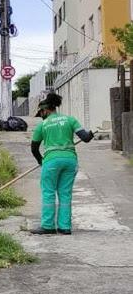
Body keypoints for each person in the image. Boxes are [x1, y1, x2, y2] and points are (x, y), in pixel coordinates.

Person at [30, 93, 94, 235]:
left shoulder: (43, 125)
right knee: (65, 193)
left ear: (45, 110)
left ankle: (48, 226)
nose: (41, 116)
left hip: (51, 161)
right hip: (70, 161)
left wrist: (41, 161)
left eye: (41, 113)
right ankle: (65, 227)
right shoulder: (70, 120)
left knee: (48, 192)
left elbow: (34, 148)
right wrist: (90, 134)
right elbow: (85, 138)